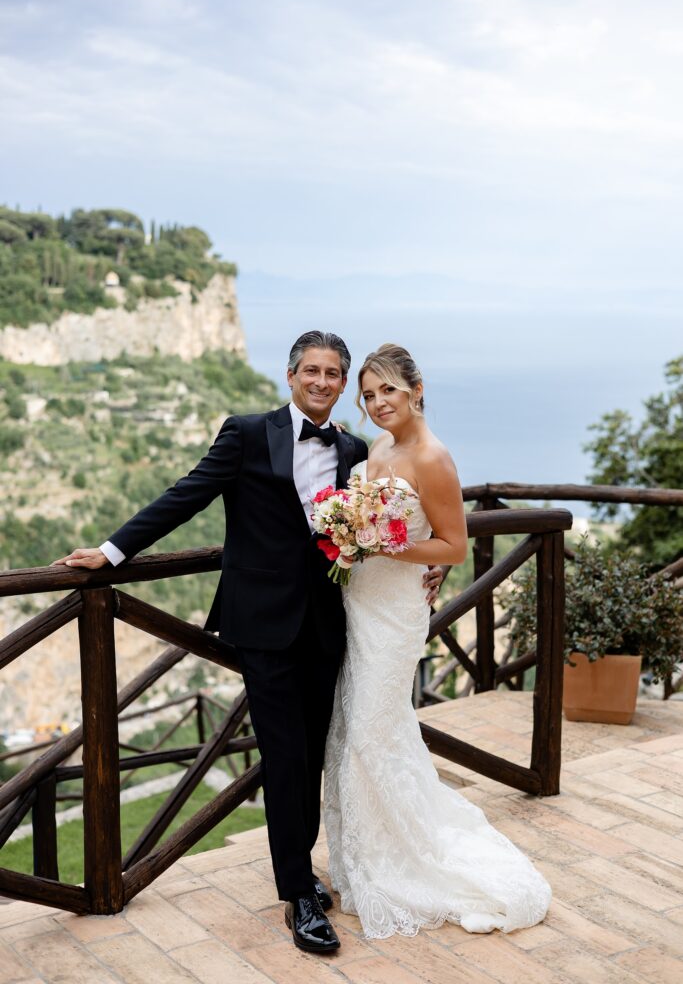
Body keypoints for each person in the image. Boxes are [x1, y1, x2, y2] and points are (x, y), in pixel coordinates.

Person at [53, 330, 442, 956]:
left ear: (344, 386)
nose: (321, 382)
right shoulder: (245, 432)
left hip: (332, 620)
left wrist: (437, 557)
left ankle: (307, 867)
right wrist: (112, 550)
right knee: (284, 755)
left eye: (334, 374)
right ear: (290, 377)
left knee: (315, 750)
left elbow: (405, 508)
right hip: (261, 623)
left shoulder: (356, 450)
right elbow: (186, 495)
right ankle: (298, 891)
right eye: (310, 371)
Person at [324, 343, 552, 939]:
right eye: (369, 395)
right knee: (359, 727)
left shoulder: (432, 457)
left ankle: (405, 861)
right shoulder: (377, 446)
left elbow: (453, 545)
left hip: (396, 611)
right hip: (360, 600)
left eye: (388, 392)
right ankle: (363, 857)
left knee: (373, 732)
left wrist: (383, 546)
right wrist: (353, 537)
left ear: (416, 389)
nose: (377, 404)